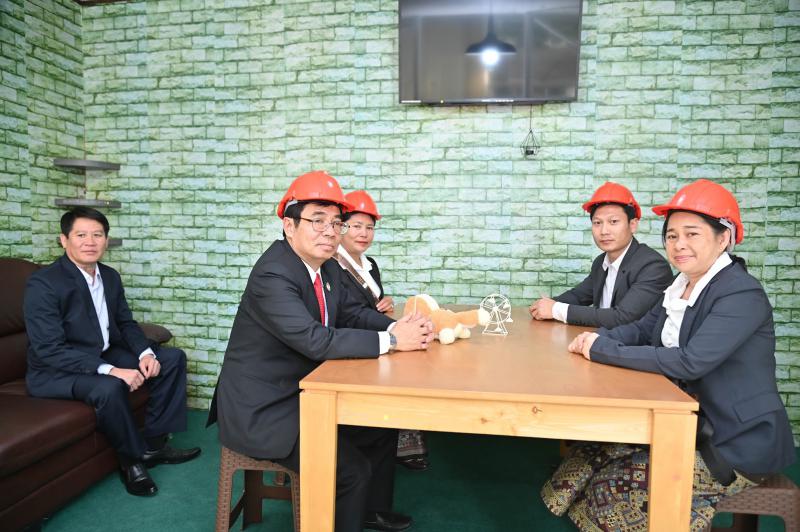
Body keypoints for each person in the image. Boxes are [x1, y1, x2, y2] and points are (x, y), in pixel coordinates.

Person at [541, 179, 795, 531]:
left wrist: (603, 350)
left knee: (610, 490)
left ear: (724, 238)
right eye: (672, 235)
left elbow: (691, 361)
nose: (679, 244)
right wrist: (595, 339)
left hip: (734, 440)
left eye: (692, 234)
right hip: (688, 420)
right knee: (587, 454)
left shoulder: (741, 294)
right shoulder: (681, 284)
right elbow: (642, 329)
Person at [208, 171, 434, 532]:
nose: (330, 231)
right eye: (317, 220)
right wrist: (393, 343)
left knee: (381, 426)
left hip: (303, 389)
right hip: (265, 407)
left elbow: (352, 313)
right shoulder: (273, 274)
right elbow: (315, 340)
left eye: (336, 222)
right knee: (351, 472)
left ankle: (370, 511)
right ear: (289, 225)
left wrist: (396, 327)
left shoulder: (326, 266)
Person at [24, 207, 200, 497]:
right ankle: (132, 462)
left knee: (170, 359)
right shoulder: (44, 283)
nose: (90, 242)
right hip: (55, 370)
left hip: (101, 354)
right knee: (109, 386)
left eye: (97, 235)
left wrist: (145, 354)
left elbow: (125, 323)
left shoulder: (109, 276)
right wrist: (112, 370)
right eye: (81, 235)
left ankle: (155, 446)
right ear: (64, 240)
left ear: (106, 240)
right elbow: (49, 349)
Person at [336, 190, 430, 472]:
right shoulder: (333, 265)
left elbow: (369, 303)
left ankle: (403, 440)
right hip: (352, 344)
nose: (364, 233)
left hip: (371, 334)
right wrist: (394, 327)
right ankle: (398, 441)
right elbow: (350, 312)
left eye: (370, 227)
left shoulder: (370, 264)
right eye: (357, 226)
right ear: (341, 227)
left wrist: (383, 302)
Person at [529, 181, 673, 328]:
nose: (604, 231)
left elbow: (622, 317)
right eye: (597, 223)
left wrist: (556, 310)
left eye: (613, 221)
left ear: (632, 225)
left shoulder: (653, 267)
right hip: (599, 339)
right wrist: (546, 305)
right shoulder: (601, 262)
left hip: (633, 343)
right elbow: (578, 296)